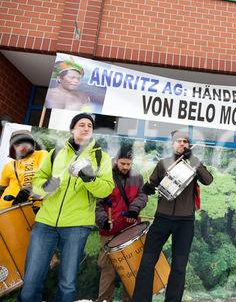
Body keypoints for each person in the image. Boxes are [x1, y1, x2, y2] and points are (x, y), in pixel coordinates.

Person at [17, 113, 114, 302]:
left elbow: (105, 190)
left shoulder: (101, 157)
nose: (86, 128)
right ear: (72, 129)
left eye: (89, 125)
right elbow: (37, 182)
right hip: (45, 222)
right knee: (30, 281)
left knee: (67, 284)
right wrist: (47, 187)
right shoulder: (56, 152)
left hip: (77, 226)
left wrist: (89, 179)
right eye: (81, 124)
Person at [131, 130, 213, 302]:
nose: (182, 144)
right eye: (178, 141)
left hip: (185, 221)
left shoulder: (194, 163)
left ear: (188, 145)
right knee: (147, 262)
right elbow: (152, 184)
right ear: (172, 143)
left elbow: (208, 180)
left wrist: (194, 161)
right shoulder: (163, 163)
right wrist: (147, 188)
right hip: (162, 217)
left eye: (185, 141)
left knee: (179, 265)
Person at [95, 144, 148, 302]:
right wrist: (103, 220)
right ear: (116, 160)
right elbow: (97, 203)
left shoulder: (137, 176)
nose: (125, 167)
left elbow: (143, 195)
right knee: (108, 270)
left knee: (132, 269)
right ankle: (104, 300)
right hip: (109, 231)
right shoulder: (105, 175)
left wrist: (134, 208)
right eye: (122, 163)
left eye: (128, 164)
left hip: (131, 229)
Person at [0, 130, 47, 209]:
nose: (22, 146)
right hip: (5, 210)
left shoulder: (42, 154)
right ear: (13, 147)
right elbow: (1, 189)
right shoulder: (9, 165)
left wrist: (24, 194)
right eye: (17, 144)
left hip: (34, 208)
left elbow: (42, 175)